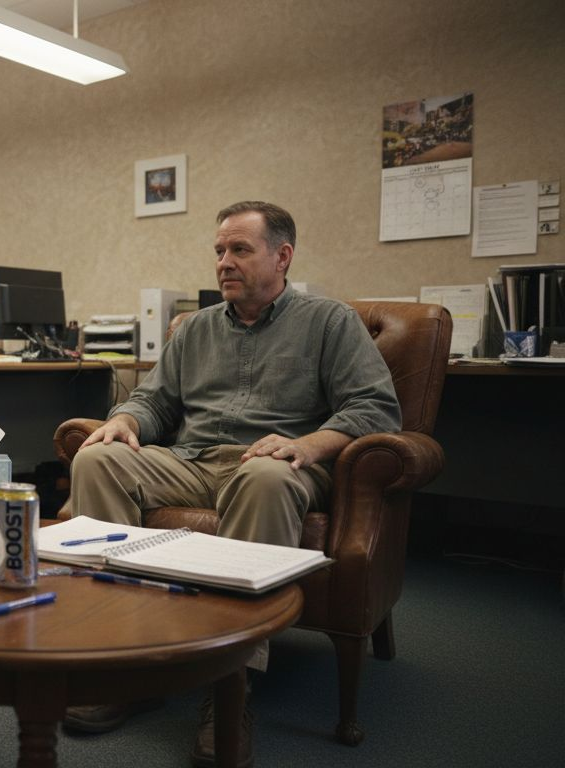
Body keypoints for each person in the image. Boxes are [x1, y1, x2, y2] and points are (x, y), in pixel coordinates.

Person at [66, 201, 401, 767]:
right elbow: (154, 400)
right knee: (96, 459)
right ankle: (127, 661)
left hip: (276, 465)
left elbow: (375, 407)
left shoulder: (329, 322)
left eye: (240, 249)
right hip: (193, 461)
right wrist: (126, 421)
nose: (224, 261)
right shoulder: (196, 328)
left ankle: (231, 686)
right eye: (220, 250)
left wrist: (309, 444)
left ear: (282, 256)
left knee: (264, 478)